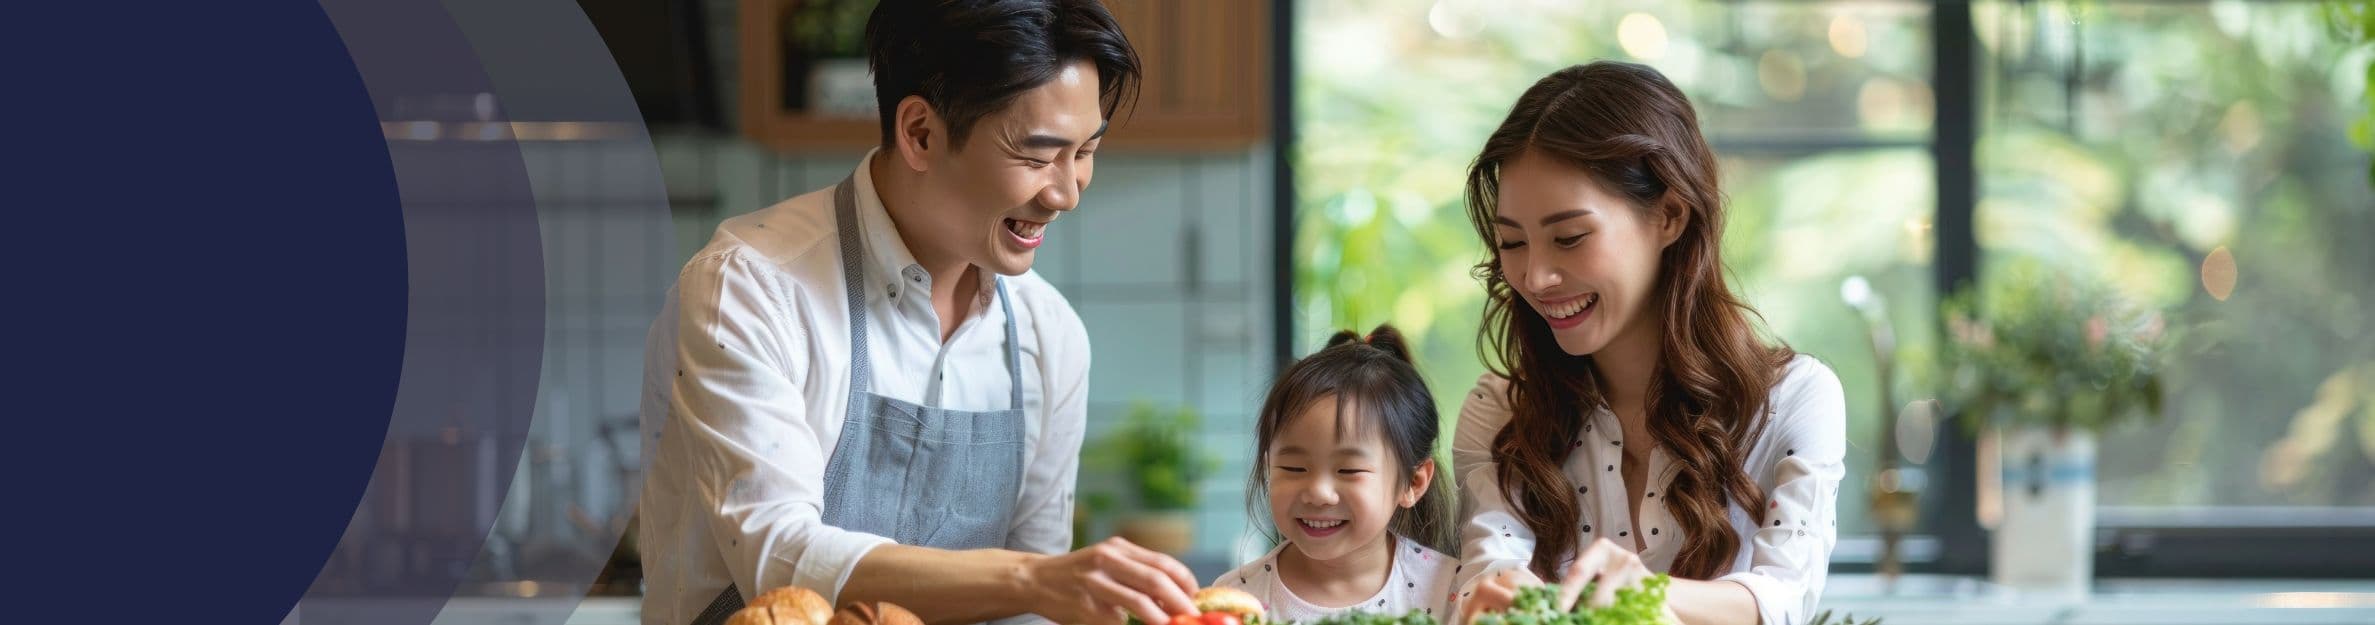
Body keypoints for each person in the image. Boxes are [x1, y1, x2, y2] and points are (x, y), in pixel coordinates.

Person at [636, 2, 1200, 624]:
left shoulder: (1049, 332)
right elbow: (777, 554)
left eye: (1086, 151)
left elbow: (1034, 610)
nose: (1065, 192)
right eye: (1039, 156)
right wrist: (1032, 579)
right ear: (920, 133)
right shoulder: (750, 287)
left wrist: (1046, 586)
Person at [1446, 61, 1848, 625]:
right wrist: (1495, 591)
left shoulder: (1794, 397)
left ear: (1670, 215)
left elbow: (1784, 596)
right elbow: (1485, 574)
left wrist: (1648, 593)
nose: (1535, 277)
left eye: (1569, 238)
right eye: (1512, 242)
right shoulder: (1500, 412)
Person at [1211, 326, 1458, 620]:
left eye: (1348, 470)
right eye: (1294, 467)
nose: (1318, 492)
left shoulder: (1454, 591)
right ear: (1268, 468)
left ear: (1413, 483)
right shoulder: (1234, 601)